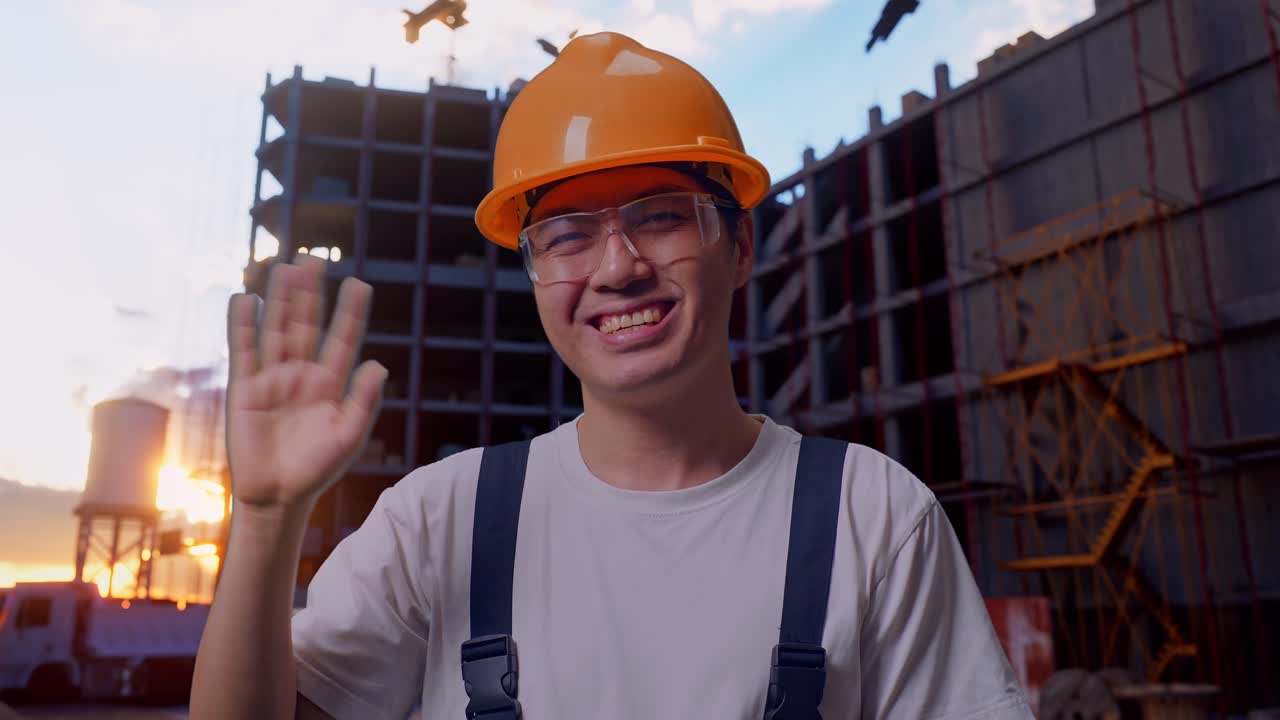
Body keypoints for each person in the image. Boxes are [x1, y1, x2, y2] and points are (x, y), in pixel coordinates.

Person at [190, 31, 1031, 719]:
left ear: (739, 248)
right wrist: (265, 520)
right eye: (567, 237)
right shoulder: (440, 521)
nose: (619, 267)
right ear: (534, 275)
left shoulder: (874, 520)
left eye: (660, 218)